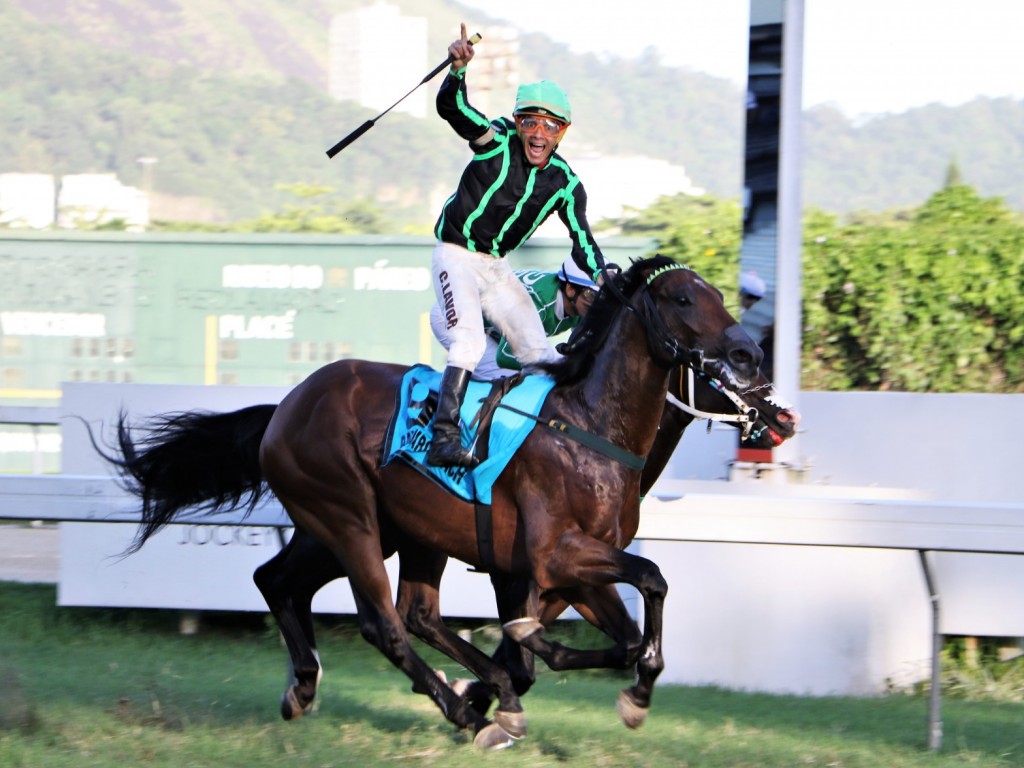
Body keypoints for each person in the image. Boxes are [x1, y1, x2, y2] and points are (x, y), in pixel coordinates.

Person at [427, 23, 605, 468]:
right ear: (518, 123)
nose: (539, 133)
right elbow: (451, 107)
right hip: (455, 257)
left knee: (541, 354)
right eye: (530, 122)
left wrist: (605, 281)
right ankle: (443, 436)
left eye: (551, 125)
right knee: (468, 342)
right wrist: (457, 69)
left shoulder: (564, 181)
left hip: (494, 268)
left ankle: (543, 440)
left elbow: (581, 238)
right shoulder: (493, 142)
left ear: (562, 132)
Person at [430, 257, 599, 381]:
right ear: (570, 289)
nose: (596, 305)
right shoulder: (539, 302)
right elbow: (505, 356)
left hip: (488, 326)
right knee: (508, 377)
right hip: (455, 315)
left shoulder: (580, 307)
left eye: (601, 298)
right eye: (591, 296)